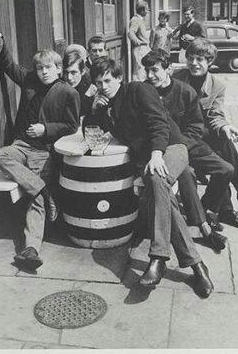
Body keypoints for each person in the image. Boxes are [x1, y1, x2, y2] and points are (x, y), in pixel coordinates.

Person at [84, 53, 212, 298]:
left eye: (108, 81)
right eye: (98, 83)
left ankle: (158, 257)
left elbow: (159, 123)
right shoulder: (107, 106)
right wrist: (94, 111)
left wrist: (156, 154)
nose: (103, 87)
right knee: (160, 188)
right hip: (148, 161)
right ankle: (197, 265)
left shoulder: (139, 90)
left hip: (172, 147)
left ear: (119, 78)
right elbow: (91, 133)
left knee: (156, 178)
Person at [0, 30, 82, 271]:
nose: (43, 72)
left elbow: (71, 125)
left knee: (34, 199)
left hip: (42, 152)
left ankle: (31, 248)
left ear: (58, 69)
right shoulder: (30, 81)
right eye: (39, 68)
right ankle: (44, 190)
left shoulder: (68, 92)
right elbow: (9, 66)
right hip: (20, 145)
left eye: (48, 68)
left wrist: (45, 129)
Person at [179, 38, 238, 216]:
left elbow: (216, 114)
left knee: (223, 141)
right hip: (184, 134)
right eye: (190, 58)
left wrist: (225, 127)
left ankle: (227, 206)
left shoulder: (217, 86)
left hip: (203, 135)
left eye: (199, 59)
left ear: (210, 61)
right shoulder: (177, 79)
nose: (194, 63)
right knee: (224, 150)